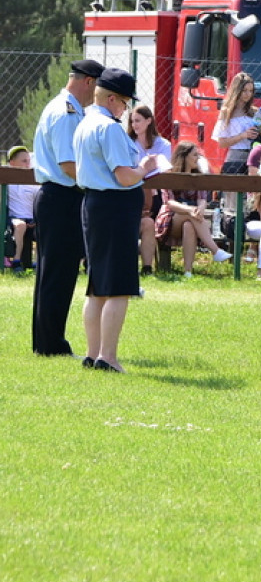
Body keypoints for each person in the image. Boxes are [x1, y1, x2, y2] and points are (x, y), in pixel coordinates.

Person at [72, 68, 159, 372]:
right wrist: (145, 167)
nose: (126, 110)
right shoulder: (108, 128)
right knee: (119, 286)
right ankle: (107, 357)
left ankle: (92, 352)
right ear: (111, 99)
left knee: (98, 285)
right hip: (114, 207)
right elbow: (124, 176)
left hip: (94, 205)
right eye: (124, 103)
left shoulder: (85, 122)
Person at [31, 58, 104, 357]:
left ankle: (46, 342)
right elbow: (68, 165)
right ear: (89, 81)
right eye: (98, 86)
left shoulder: (65, 108)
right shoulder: (67, 112)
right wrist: (100, 180)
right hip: (62, 196)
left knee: (53, 273)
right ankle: (51, 345)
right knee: (58, 275)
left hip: (57, 197)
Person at [154, 141, 233, 277]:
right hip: (170, 218)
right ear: (184, 156)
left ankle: (188, 271)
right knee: (190, 216)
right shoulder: (170, 175)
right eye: (194, 155)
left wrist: (201, 208)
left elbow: (202, 199)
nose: (198, 158)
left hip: (192, 218)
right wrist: (190, 210)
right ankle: (215, 250)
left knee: (189, 225)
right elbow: (170, 202)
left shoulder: (198, 176)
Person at [127, 105, 172, 275]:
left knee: (149, 222)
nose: (134, 125)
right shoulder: (127, 143)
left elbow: (166, 169)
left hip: (156, 195)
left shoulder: (162, 144)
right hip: (132, 193)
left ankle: (147, 268)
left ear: (149, 120)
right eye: (132, 121)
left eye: (138, 120)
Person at [213, 72, 260, 175]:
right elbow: (222, 143)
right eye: (244, 90)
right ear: (237, 91)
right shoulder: (227, 112)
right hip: (235, 157)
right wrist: (243, 135)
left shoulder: (254, 111)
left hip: (254, 157)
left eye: (251, 91)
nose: (248, 94)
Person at [5, 145, 39, 272]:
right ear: (12, 163)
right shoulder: (7, 181)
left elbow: (38, 202)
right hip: (15, 218)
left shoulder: (32, 180)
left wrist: (36, 219)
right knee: (20, 226)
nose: (27, 164)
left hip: (32, 218)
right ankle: (16, 261)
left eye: (28, 161)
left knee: (45, 226)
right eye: (24, 161)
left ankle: (39, 263)